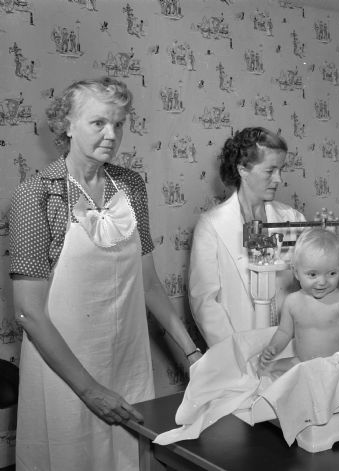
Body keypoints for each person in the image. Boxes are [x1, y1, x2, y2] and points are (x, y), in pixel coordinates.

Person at [9, 77, 202, 471]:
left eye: (119, 124)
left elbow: (148, 284)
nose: (111, 134)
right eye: (99, 123)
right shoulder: (36, 194)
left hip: (127, 362)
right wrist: (91, 391)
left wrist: (193, 353)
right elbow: (29, 312)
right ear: (67, 124)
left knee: (125, 458)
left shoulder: (131, 185)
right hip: (65, 371)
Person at [189, 127, 305, 347]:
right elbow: (205, 303)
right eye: (270, 171)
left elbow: (310, 283)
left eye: (281, 170)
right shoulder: (211, 226)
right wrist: (235, 354)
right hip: (238, 349)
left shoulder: (292, 218)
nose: (278, 179)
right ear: (243, 169)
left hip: (291, 346)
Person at [259, 228, 339, 373]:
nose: (322, 281)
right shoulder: (292, 302)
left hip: (336, 365)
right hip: (303, 362)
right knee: (266, 369)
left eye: (332, 273)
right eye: (313, 274)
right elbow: (284, 332)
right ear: (296, 272)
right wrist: (273, 347)